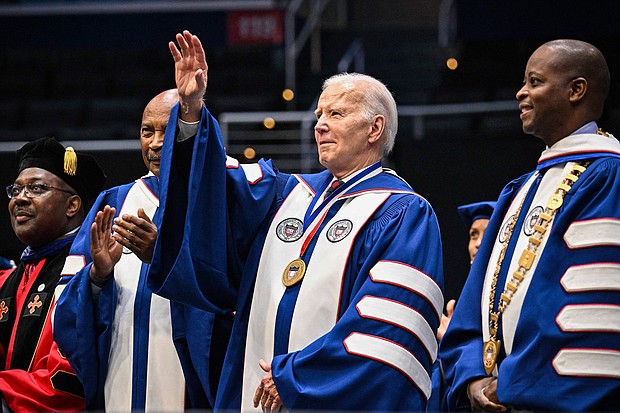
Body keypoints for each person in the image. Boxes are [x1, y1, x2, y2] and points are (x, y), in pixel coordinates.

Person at [147, 30, 444, 411]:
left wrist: (295, 377)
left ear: (375, 128)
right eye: (319, 114)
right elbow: (212, 190)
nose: (319, 124)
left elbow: (384, 333)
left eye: (336, 114)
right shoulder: (285, 193)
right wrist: (191, 111)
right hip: (253, 397)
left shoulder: (404, 214)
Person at [440, 39, 620, 411]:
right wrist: (473, 374)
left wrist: (509, 383)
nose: (521, 92)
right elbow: (476, 300)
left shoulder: (608, 177)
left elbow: (582, 305)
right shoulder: (519, 191)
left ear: (576, 90)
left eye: (535, 82)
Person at [54, 89, 231, 411]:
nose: (154, 143)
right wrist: (98, 275)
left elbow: (235, 293)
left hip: (191, 378)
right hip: (120, 370)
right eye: (147, 131)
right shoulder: (113, 203)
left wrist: (162, 257)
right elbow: (64, 305)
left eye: (167, 130)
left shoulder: (225, 198)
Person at [0, 136, 105, 412]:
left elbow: (69, 384)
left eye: (36, 188)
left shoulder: (88, 273)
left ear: (72, 205)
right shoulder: (8, 280)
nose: (20, 198)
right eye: (16, 189)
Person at [429, 201, 496, 412]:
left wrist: (454, 342)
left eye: (488, 232)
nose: (477, 243)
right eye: (473, 235)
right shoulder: (462, 306)